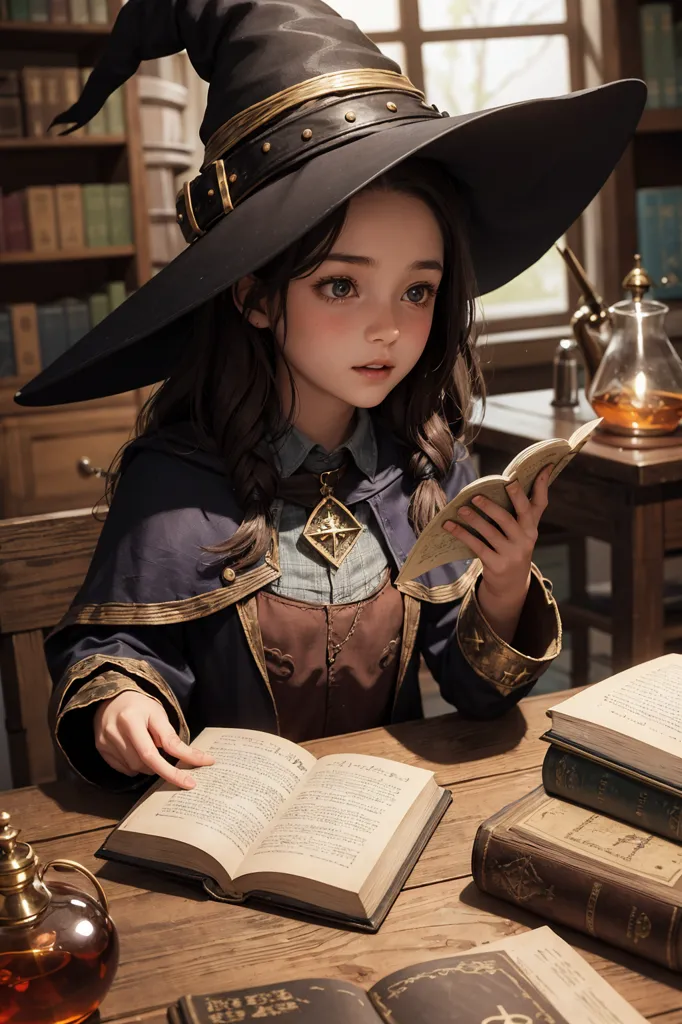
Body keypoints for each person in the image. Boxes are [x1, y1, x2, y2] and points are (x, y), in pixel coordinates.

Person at [16, 0, 646, 792]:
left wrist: (509, 579)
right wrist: (124, 705)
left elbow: (474, 693)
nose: (388, 328)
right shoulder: (172, 479)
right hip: (217, 829)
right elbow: (119, 657)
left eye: (419, 292)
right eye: (342, 284)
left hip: (390, 827)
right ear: (254, 297)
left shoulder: (427, 463)